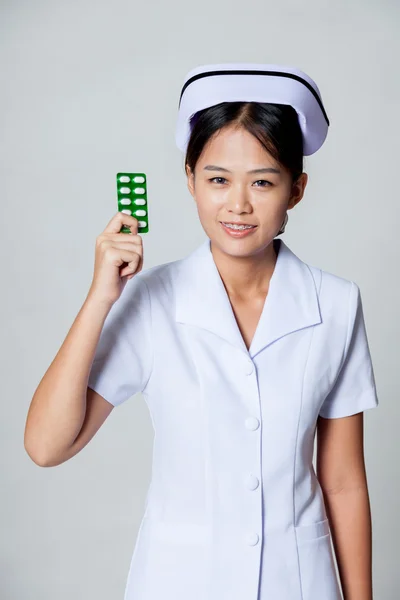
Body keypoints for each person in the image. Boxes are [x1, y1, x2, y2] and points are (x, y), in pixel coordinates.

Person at [24, 63, 379, 600]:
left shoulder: (336, 304)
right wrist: (101, 296)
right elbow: (47, 447)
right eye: (217, 180)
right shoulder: (151, 302)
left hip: (298, 584)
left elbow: (345, 481)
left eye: (262, 181)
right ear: (189, 180)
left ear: (296, 189)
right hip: (178, 584)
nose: (237, 204)